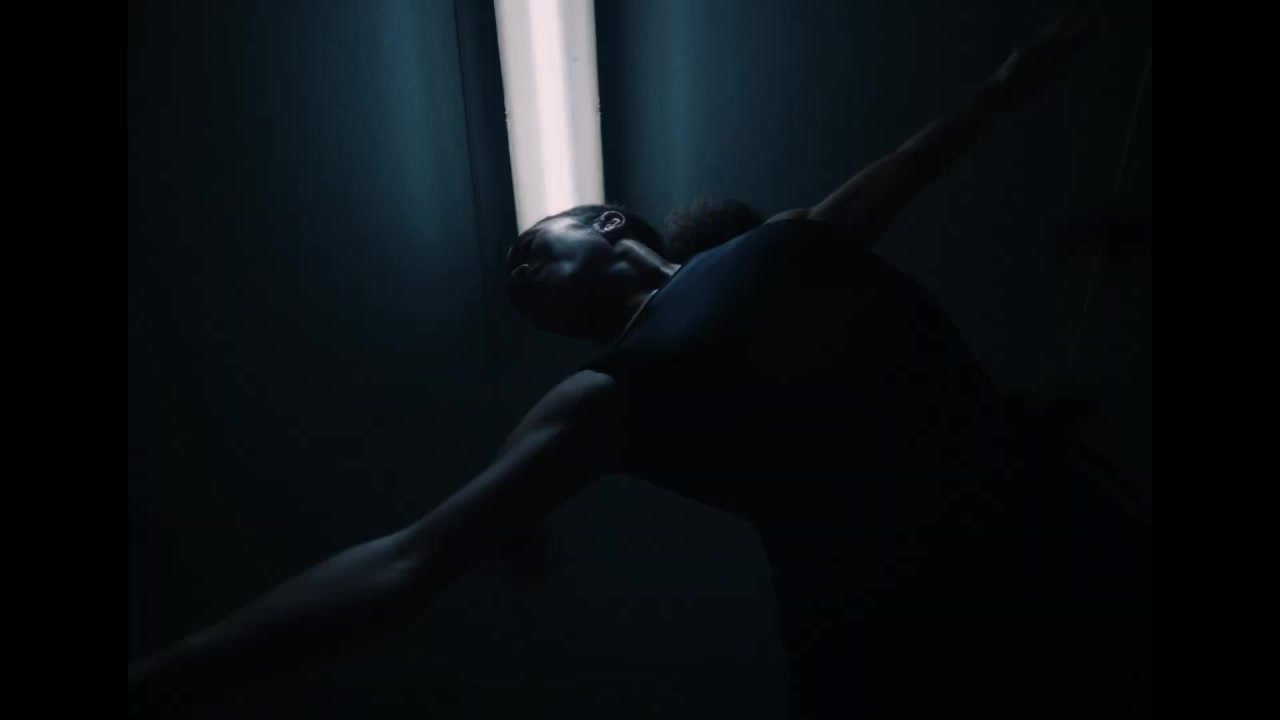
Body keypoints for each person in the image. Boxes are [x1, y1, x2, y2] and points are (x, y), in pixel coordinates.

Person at [129, 16, 1150, 718]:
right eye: (513, 277)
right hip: (889, 642)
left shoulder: (789, 244)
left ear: (610, 221)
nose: (513, 271)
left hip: (1045, 536)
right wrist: (180, 668)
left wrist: (1001, 92)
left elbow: (915, 166)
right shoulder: (608, 396)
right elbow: (413, 558)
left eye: (530, 245)